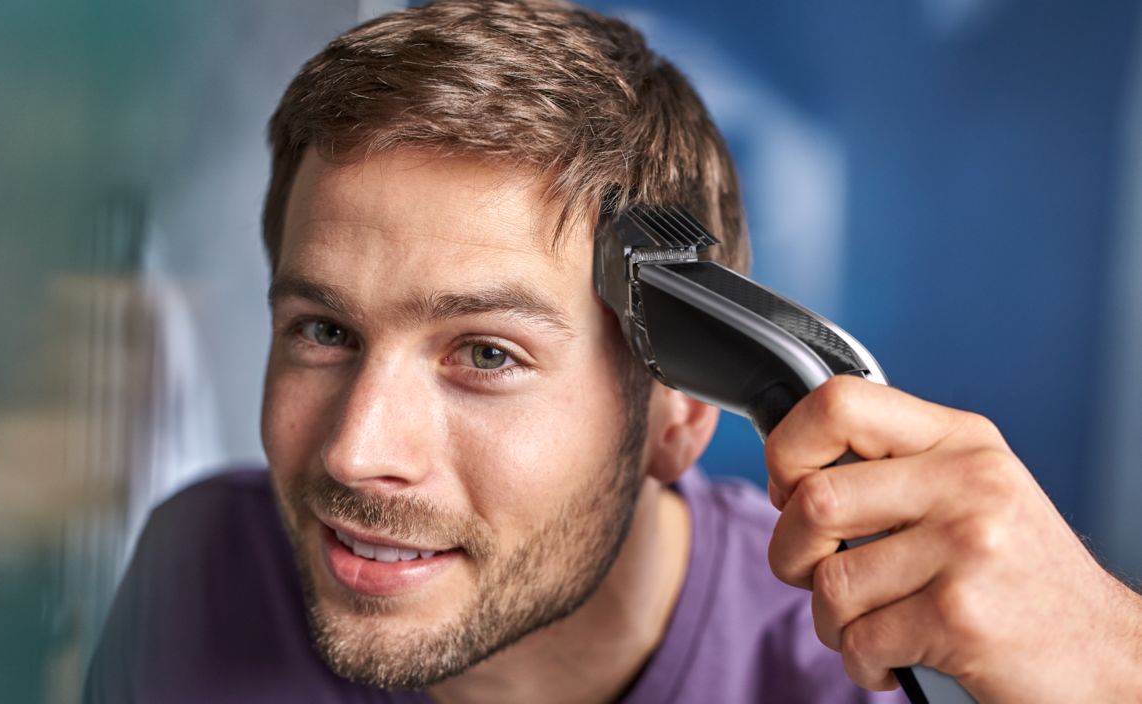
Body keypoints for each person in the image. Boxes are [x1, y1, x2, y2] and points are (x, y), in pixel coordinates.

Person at [85, 1, 1142, 702]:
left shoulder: (845, 664)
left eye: (485, 353)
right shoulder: (198, 569)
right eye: (324, 330)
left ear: (680, 406)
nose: (357, 452)